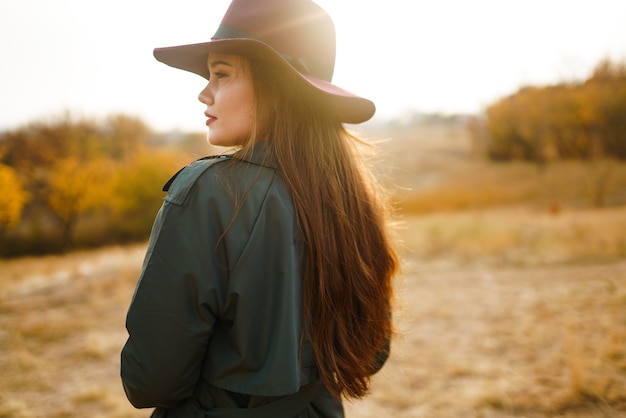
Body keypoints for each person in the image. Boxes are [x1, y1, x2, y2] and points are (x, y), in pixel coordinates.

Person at [120, 0, 399, 416]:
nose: (203, 91)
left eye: (221, 73)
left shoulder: (209, 193)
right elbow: (371, 354)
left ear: (277, 86)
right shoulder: (353, 198)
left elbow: (150, 380)